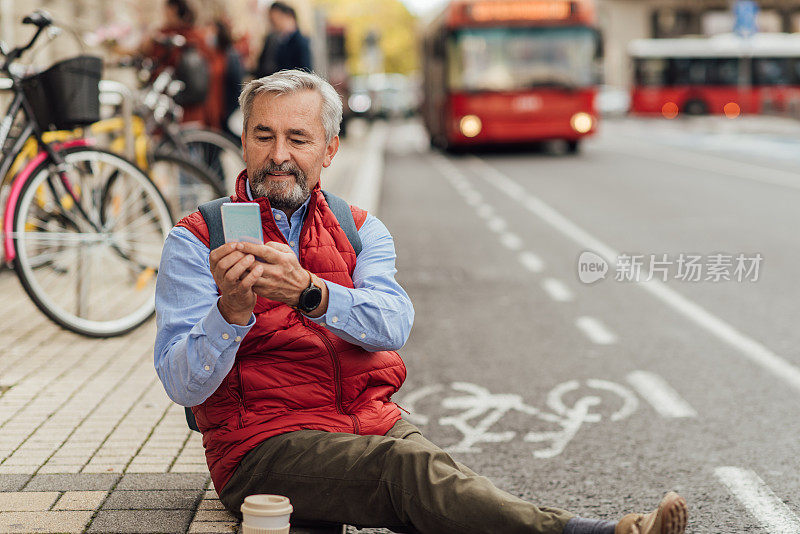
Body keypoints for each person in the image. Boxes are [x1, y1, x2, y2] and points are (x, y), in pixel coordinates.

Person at [153, 70, 688, 534]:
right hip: (260, 446)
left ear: (330, 149)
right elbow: (180, 383)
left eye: (299, 138)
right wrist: (230, 314)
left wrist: (310, 293)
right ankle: (600, 533)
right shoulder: (197, 239)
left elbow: (393, 325)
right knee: (409, 472)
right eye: (263, 136)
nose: (279, 156)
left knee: (444, 489)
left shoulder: (359, 229)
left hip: (368, 417)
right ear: (243, 141)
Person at [254, 1, 312, 78]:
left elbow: (305, 71)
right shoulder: (273, 39)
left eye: (276, 19)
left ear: (288, 16)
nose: (274, 24)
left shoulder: (300, 41)